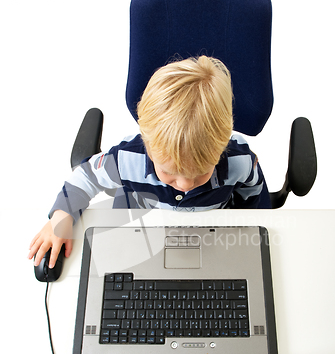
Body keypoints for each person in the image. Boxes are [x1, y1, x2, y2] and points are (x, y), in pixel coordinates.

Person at [28, 55, 268, 269]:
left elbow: (253, 195)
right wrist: (61, 219)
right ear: (148, 146)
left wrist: (242, 226)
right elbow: (85, 176)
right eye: (168, 172)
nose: (185, 185)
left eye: (200, 174)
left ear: (222, 147)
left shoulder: (240, 162)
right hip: (140, 235)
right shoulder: (127, 158)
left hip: (210, 240)